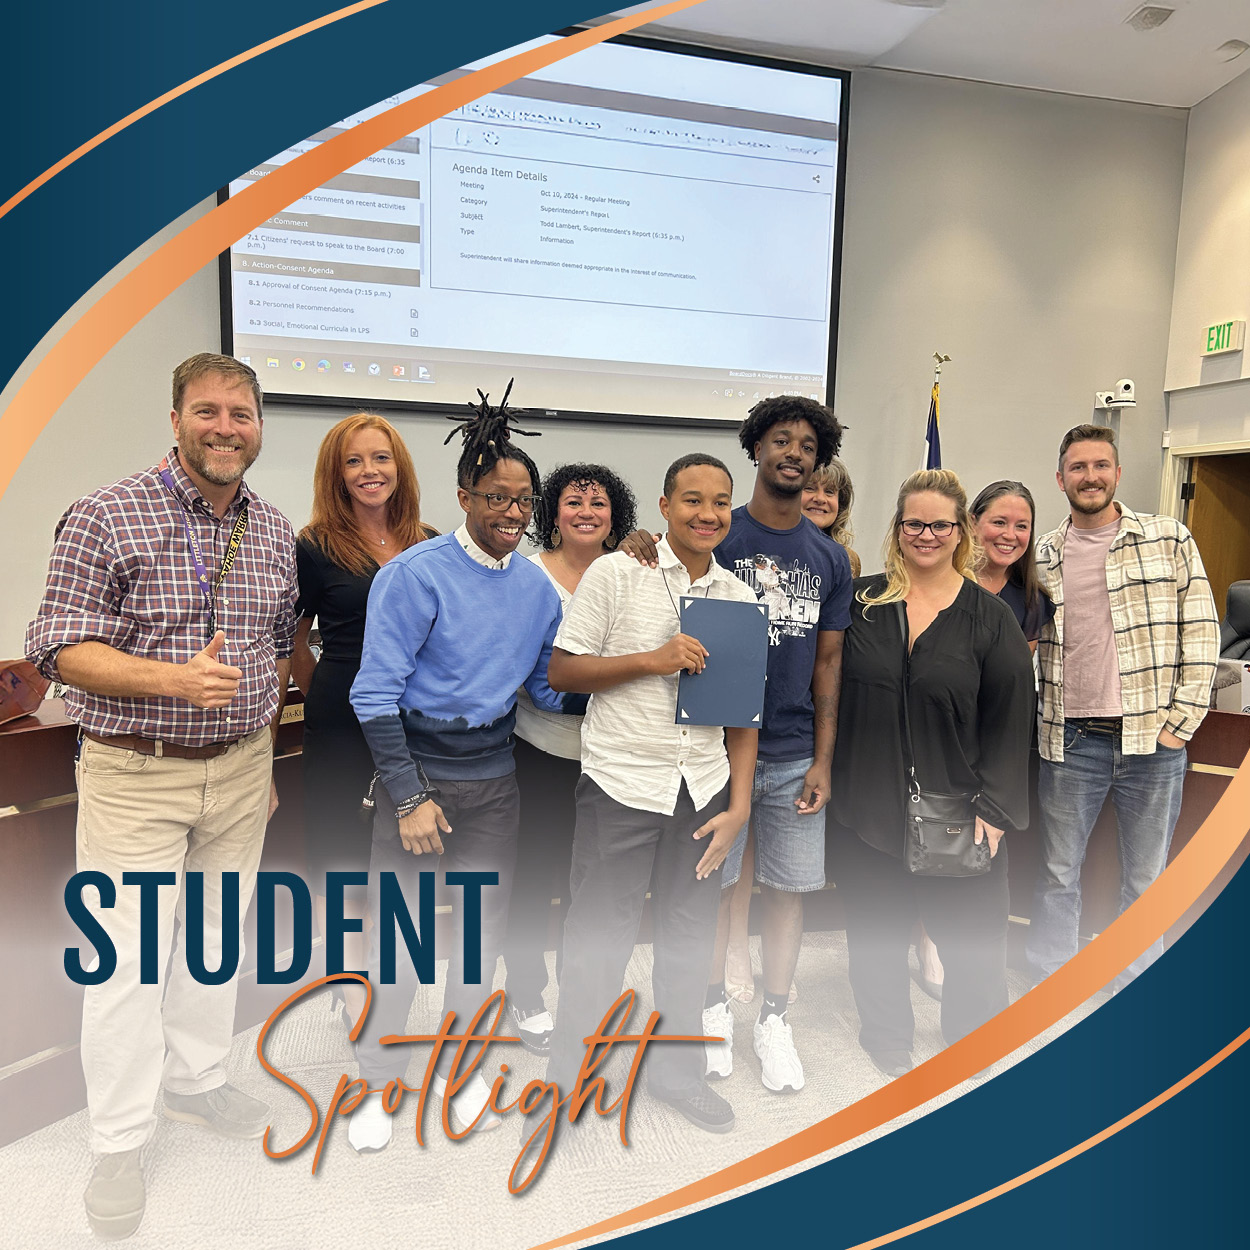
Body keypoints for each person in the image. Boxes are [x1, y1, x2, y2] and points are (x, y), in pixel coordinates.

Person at [24, 353, 298, 1240]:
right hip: (136, 771)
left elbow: (273, 640)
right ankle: (117, 1140)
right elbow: (59, 648)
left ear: (260, 425)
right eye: (209, 411)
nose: (227, 428)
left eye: (242, 414)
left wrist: (253, 749)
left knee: (216, 940)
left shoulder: (270, 526)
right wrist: (172, 684)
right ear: (176, 416)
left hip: (242, 766)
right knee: (129, 959)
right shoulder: (107, 513)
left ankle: (196, 1081)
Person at [346, 386, 581, 1153]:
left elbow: (547, 687)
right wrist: (408, 797)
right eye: (498, 498)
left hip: (493, 782)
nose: (514, 513)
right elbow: (374, 693)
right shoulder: (415, 575)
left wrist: (637, 681)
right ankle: (376, 1079)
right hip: (420, 779)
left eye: (525, 500)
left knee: (478, 938)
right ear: (464, 496)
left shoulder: (536, 589)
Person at [541, 453, 758, 1134]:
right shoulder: (616, 572)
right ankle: (570, 1081)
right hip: (623, 787)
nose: (708, 514)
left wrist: (739, 808)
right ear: (664, 506)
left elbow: (743, 717)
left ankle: (676, 1074)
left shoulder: (738, 599)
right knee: (597, 936)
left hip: (702, 795)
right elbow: (563, 671)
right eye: (692, 500)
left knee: (690, 942)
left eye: (720, 502)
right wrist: (654, 660)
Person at [828, 469, 1034, 1078]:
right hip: (867, 809)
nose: (925, 534)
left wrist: (996, 811)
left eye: (939, 524)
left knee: (972, 946)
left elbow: (1012, 719)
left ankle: (973, 1042)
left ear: (960, 531)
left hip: (962, 812)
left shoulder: (990, 617)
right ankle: (886, 1033)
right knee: (875, 934)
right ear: (897, 528)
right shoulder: (862, 605)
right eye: (913, 522)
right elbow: (828, 690)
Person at [1026, 425, 1219, 986]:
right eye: (1078, 468)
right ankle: (1052, 978)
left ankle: (1136, 979)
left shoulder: (1169, 538)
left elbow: (1202, 633)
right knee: (1059, 871)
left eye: (1101, 465)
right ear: (1061, 479)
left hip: (1153, 743)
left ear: (1117, 472)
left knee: (1146, 876)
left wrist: (1179, 725)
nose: (1091, 476)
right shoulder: (1042, 556)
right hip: (1071, 740)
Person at [292, 414, 435, 1029]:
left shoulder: (430, 541)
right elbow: (293, 645)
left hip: (416, 729)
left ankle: (399, 982)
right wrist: (331, 693)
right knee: (343, 865)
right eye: (354, 461)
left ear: (399, 466)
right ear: (336, 472)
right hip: (340, 728)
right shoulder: (314, 545)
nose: (369, 471)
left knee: (410, 865)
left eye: (381, 458)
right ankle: (356, 997)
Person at [502, 463, 638, 1055]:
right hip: (542, 750)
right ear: (551, 512)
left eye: (599, 503)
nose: (586, 512)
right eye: (574, 501)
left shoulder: (634, 571)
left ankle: (586, 994)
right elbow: (530, 674)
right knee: (536, 876)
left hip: (614, 757)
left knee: (597, 885)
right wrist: (618, 683)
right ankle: (527, 992)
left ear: (617, 515)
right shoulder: (527, 576)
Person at [913, 478, 1056, 1002]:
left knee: (975, 856)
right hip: (934, 741)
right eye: (999, 521)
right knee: (926, 843)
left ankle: (967, 967)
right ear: (971, 525)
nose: (1010, 534)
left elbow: (1016, 686)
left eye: (1022, 526)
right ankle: (927, 943)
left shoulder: (1031, 601)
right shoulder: (938, 578)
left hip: (991, 749)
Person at [802, 457, 862, 577]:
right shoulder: (769, 544)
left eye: (829, 491)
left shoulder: (850, 560)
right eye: (809, 488)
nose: (820, 499)